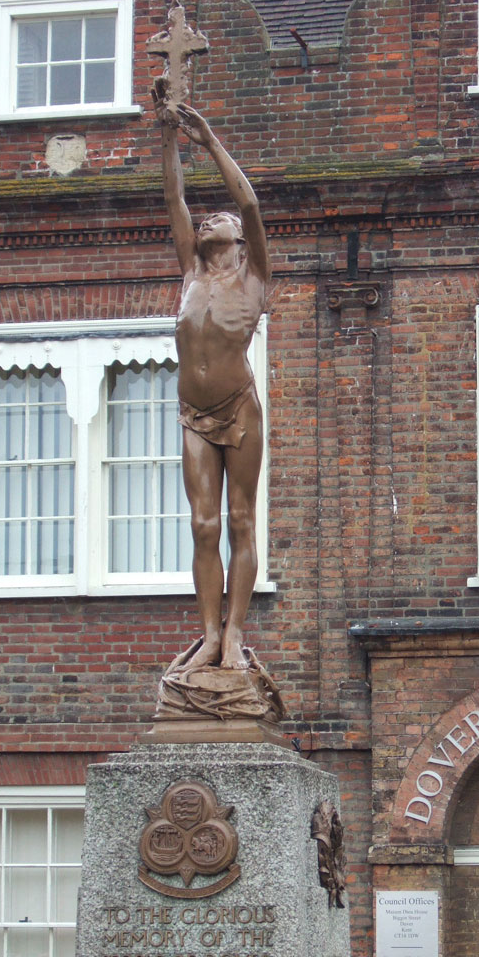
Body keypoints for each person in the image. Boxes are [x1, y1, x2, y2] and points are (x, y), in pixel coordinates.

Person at [158, 99, 271, 673]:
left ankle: (234, 633)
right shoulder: (190, 274)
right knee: (203, 524)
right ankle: (207, 635)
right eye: (206, 221)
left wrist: (208, 141)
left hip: (239, 409)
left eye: (217, 221)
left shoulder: (254, 275)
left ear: (240, 240)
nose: (208, 221)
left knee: (240, 520)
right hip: (192, 411)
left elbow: (249, 202)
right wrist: (169, 138)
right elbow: (173, 199)